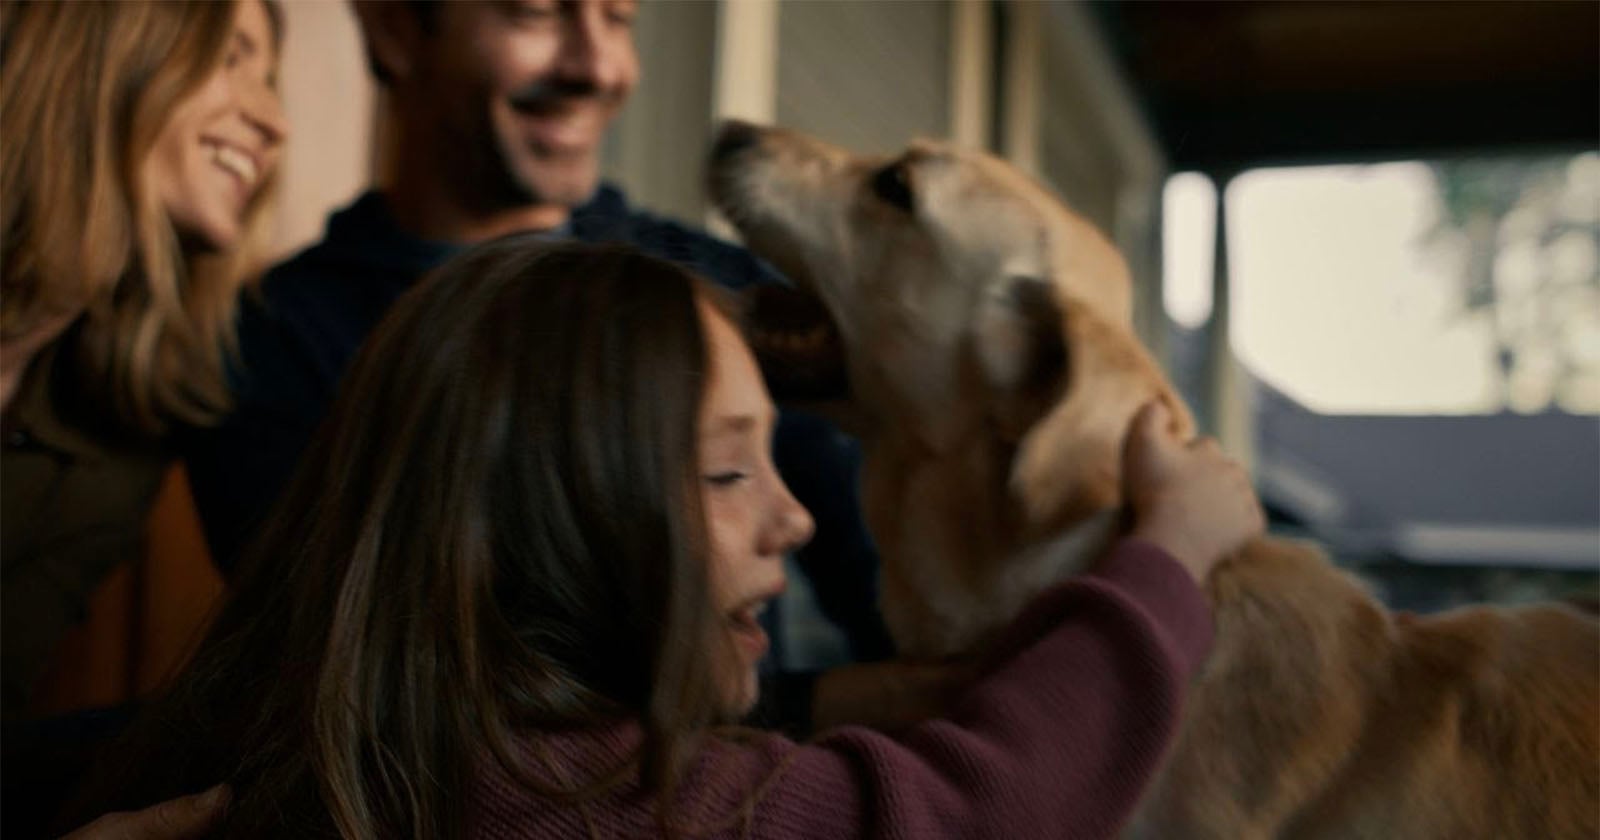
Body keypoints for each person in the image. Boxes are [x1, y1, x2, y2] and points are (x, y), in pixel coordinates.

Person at [84, 240, 1264, 838]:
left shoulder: (300, 762)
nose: (795, 516)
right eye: (724, 469)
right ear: (548, 516)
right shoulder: (616, 807)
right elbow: (978, 806)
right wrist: (1168, 551)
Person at [180, 1, 895, 721]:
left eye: (620, 19)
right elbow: (365, 692)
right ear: (396, 29)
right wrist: (814, 708)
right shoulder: (274, 342)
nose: (599, 67)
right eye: (536, 12)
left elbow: (886, 593)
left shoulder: (725, 293)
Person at [0, 0, 287, 720]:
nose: (275, 122)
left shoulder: (121, 433)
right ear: (98, 56)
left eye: (273, 78)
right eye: (229, 57)